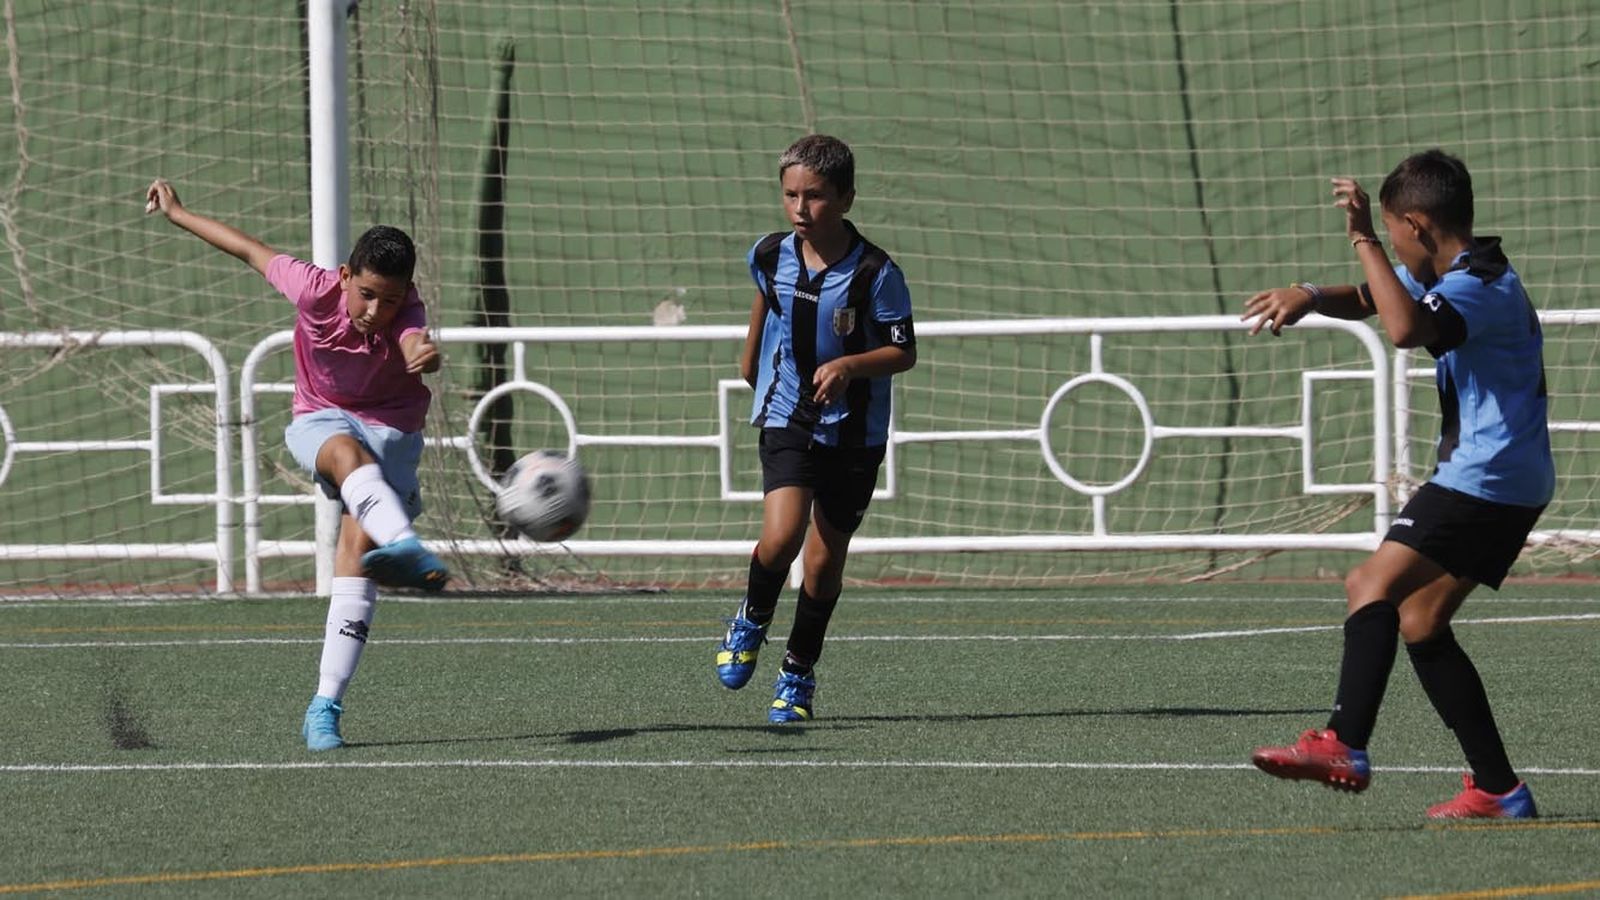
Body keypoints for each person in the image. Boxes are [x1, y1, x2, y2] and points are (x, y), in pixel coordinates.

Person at [1241, 149, 1553, 818]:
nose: (1392, 246)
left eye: (1394, 232)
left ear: (1414, 224)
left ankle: (1345, 742)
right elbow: (1379, 298)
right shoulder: (1467, 272)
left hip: (1487, 473)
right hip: (1510, 477)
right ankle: (1500, 789)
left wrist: (1361, 236)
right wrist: (1312, 297)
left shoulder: (1480, 286)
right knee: (1420, 619)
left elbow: (1404, 327)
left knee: (1368, 584)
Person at [146, 179, 450, 752]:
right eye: (365, 294)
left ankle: (324, 706)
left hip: (392, 429)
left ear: (406, 291)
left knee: (356, 560)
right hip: (322, 417)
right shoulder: (312, 290)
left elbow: (414, 342)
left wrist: (421, 352)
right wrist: (179, 213)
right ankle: (405, 543)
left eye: (388, 299)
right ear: (342, 276)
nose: (374, 310)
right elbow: (247, 249)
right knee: (342, 451)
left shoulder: (406, 310)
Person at [713, 135, 917, 722]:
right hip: (789, 416)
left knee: (824, 565)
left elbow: (904, 352)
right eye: (791, 196)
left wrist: (852, 365)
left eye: (817, 197)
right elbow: (764, 307)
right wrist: (752, 367)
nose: (802, 209)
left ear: (847, 198)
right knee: (780, 538)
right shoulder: (770, 253)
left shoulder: (877, 272)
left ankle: (797, 675)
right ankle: (751, 619)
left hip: (855, 433)